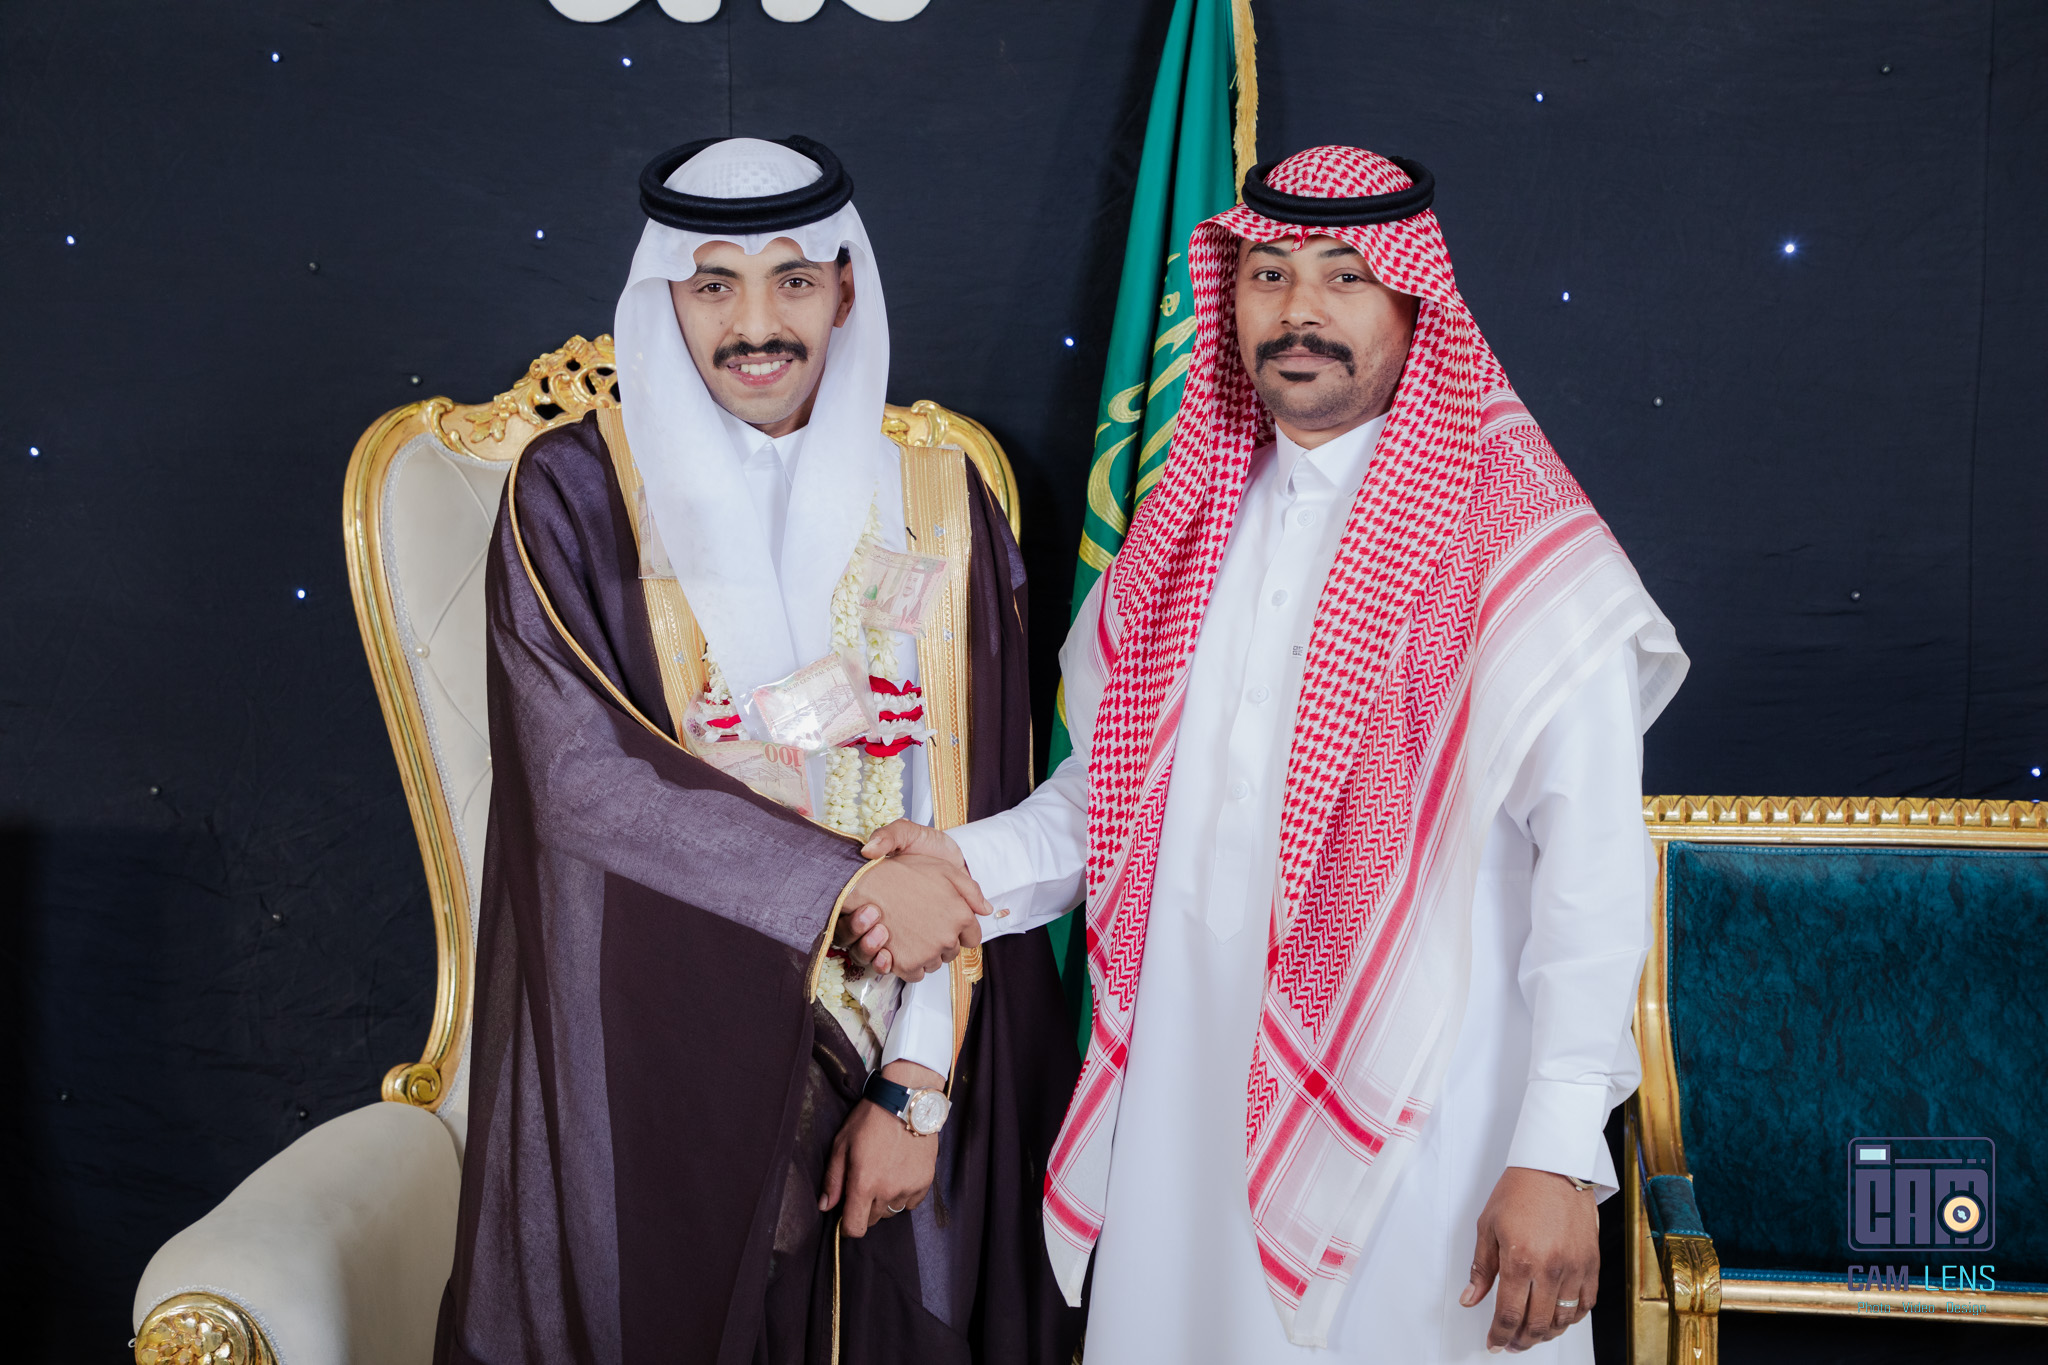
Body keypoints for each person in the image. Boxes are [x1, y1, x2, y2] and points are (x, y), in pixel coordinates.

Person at [864, 145, 1688, 1361]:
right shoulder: (1191, 521)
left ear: (1413, 301)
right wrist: (957, 866)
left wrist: (1560, 1153)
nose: (1299, 311)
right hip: (1182, 1116)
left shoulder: (1519, 552)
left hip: (1424, 1137)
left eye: (1344, 275)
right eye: (1266, 274)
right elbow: (1115, 802)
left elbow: (1593, 881)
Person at [438, 135, 1082, 1365]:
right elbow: (578, 784)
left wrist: (915, 1085)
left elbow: (968, 804)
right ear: (664, 300)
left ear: (844, 290)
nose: (754, 326)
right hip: (667, 1050)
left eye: (791, 280)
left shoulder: (940, 498)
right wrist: (842, 889)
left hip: (913, 1046)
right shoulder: (572, 495)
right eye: (713, 285)